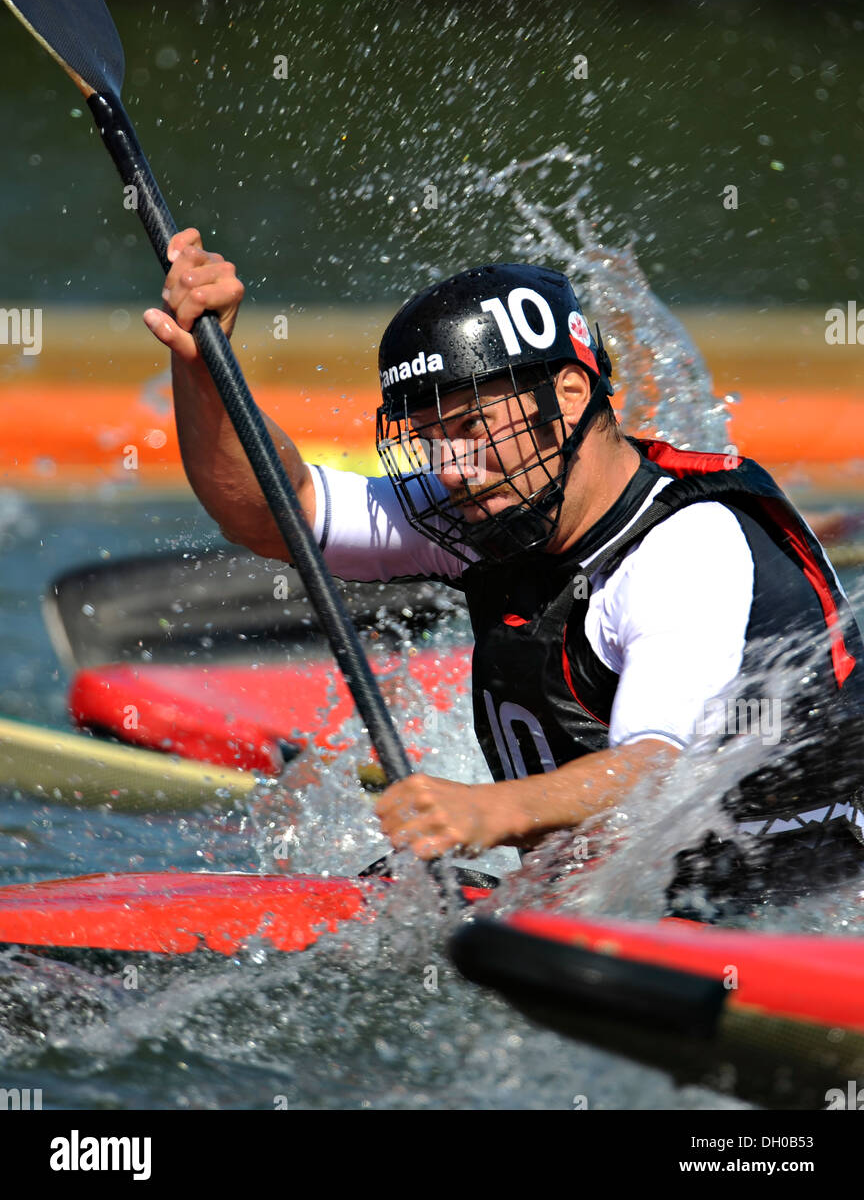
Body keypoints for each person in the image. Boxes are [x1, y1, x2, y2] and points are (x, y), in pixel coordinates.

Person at [145, 228, 864, 920]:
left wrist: (483, 811)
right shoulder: (492, 502)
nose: (452, 469)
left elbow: (653, 772)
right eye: (429, 439)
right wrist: (204, 363)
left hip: (804, 910)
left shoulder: (686, 547)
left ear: (570, 396)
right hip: (643, 900)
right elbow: (277, 514)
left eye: (470, 428)